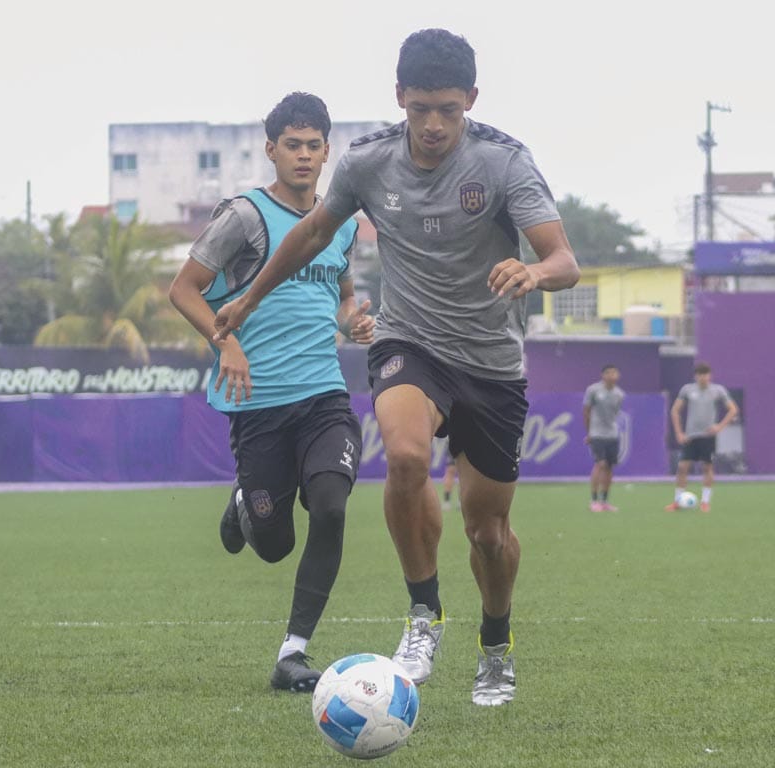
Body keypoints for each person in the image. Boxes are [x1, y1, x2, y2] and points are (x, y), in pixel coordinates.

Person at [212, 29, 580, 706]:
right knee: (405, 457)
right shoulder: (368, 162)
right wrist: (249, 296)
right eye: (420, 109)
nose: (434, 124)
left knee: (487, 531)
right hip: (408, 338)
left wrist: (532, 270)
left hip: (492, 361)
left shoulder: (504, 162)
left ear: (470, 99)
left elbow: (564, 260)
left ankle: (495, 646)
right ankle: (422, 614)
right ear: (399, 100)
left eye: (448, 108)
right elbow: (315, 232)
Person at [168, 92, 374, 693]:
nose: (304, 156)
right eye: (293, 145)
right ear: (271, 150)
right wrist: (224, 342)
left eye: (314, 146)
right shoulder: (245, 216)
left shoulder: (339, 224)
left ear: (328, 151)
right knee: (275, 545)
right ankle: (243, 505)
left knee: (332, 508)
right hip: (258, 404)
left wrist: (353, 322)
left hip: (324, 395)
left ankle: (293, 652)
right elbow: (183, 290)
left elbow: (339, 298)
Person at [665, 362, 738, 513]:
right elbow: (675, 411)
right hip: (690, 436)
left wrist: (719, 426)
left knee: (707, 467)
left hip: (708, 436)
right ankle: (677, 501)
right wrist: (679, 433)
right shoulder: (687, 390)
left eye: (705, 374)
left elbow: (733, 409)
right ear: (695, 376)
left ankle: (705, 502)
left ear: (710, 376)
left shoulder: (718, 390)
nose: (703, 378)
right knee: (682, 467)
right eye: (700, 375)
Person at [583, 364, 625, 512]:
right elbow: (586, 411)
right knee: (600, 464)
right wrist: (589, 432)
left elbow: (615, 414)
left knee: (609, 467)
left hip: (612, 434)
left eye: (614, 373)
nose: (611, 376)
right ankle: (593, 500)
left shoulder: (619, 394)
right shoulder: (593, 390)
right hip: (597, 434)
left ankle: (605, 500)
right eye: (608, 373)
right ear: (603, 375)